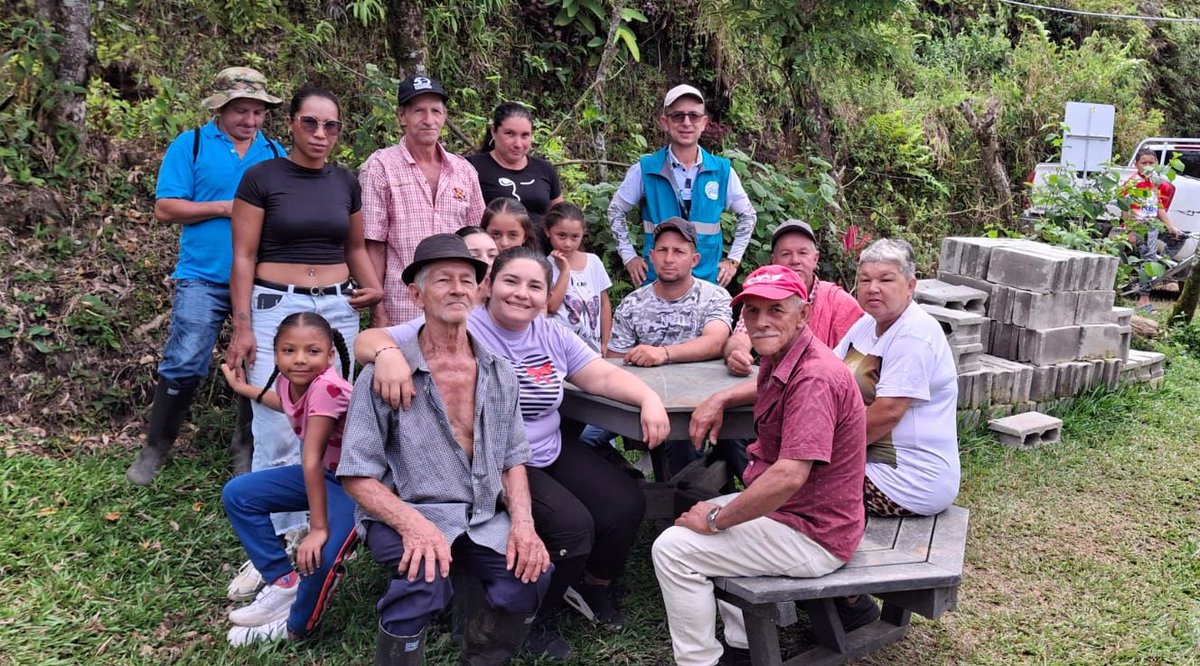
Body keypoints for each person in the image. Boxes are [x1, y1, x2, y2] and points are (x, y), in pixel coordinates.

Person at [354, 245, 670, 660]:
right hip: (468, 475)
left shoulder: (530, 345)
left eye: (535, 285)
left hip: (532, 452)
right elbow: (372, 341)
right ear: (490, 288)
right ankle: (528, 618)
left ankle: (590, 588)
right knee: (572, 528)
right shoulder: (454, 332)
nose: (522, 293)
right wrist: (386, 354)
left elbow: (602, 375)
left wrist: (649, 398)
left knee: (623, 501)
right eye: (511, 281)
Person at [336, 235, 551, 665]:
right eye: (442, 280)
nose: (457, 289)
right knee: (425, 577)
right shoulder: (385, 374)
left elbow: (513, 459)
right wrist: (413, 525)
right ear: (415, 294)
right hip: (407, 511)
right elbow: (357, 473)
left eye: (467, 280)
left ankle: (482, 656)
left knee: (531, 574)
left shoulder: (500, 372)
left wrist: (524, 524)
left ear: (479, 290)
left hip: (481, 515)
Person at [655, 264, 868, 666]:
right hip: (801, 514)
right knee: (717, 513)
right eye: (751, 311)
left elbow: (789, 476)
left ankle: (700, 662)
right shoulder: (787, 355)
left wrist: (718, 520)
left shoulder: (814, 379)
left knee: (675, 548)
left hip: (815, 533)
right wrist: (723, 398)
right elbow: (765, 383)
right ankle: (742, 647)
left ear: (803, 313)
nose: (761, 321)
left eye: (775, 310)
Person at [223, 86, 383, 589]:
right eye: (310, 123)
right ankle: (279, 543)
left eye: (330, 126)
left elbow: (355, 243)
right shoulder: (262, 178)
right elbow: (243, 256)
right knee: (275, 422)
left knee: (334, 418)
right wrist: (243, 325)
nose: (320, 134)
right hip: (277, 304)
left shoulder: (345, 181)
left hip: (337, 304)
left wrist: (373, 289)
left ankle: (332, 531)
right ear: (291, 123)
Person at [125, 66, 286, 487]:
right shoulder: (191, 144)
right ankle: (155, 448)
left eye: (257, 112)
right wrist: (223, 207)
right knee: (185, 358)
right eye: (240, 111)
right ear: (220, 109)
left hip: (259, 278)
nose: (249, 121)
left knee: (258, 363)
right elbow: (166, 208)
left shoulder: (273, 152)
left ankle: (245, 447)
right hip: (203, 276)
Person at [218, 313, 357, 646]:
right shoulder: (288, 380)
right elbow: (286, 404)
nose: (299, 359)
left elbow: (309, 458)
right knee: (239, 494)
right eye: (289, 350)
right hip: (326, 474)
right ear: (276, 352)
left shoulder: (327, 387)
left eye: (312, 351)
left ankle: (296, 628)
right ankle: (283, 583)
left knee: (320, 555)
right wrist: (243, 387)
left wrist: (318, 529)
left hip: (357, 483)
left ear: (330, 356)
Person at [833, 239, 959, 519]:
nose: (872, 288)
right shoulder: (867, 323)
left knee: (791, 480)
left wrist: (822, 448)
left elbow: (887, 413)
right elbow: (825, 372)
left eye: (886, 279)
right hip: (867, 462)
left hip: (906, 481)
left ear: (910, 286)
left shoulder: (914, 334)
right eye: (864, 280)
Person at [607, 218, 732, 476]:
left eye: (679, 251)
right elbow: (614, 362)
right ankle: (631, 482)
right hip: (642, 402)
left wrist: (662, 354)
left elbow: (716, 341)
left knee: (684, 448)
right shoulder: (632, 304)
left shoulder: (714, 296)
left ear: (694, 259)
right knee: (582, 435)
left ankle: (683, 502)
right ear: (651, 256)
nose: (669, 258)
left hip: (701, 403)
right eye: (662, 250)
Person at [360, 74, 487, 325]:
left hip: (458, 303)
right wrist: (378, 309)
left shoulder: (464, 171)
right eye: (418, 111)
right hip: (403, 304)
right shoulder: (380, 167)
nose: (428, 120)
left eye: (435, 111)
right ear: (401, 116)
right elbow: (374, 244)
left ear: (444, 115)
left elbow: (478, 240)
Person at [608, 84, 757, 286]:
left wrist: (733, 261)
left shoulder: (721, 171)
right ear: (665, 122)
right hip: (657, 283)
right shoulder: (646, 169)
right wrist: (629, 257)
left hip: (705, 283)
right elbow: (616, 211)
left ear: (704, 122)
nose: (686, 123)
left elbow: (748, 216)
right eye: (678, 116)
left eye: (694, 116)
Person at [723, 220, 862, 376]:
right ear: (774, 260)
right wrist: (737, 355)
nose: (795, 260)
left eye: (803, 253)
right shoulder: (761, 297)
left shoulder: (840, 302)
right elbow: (740, 337)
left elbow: (859, 362)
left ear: (815, 259)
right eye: (786, 254)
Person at [467, 102, 563, 250]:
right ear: (494, 131)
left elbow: (559, 218)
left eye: (525, 135)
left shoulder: (544, 169)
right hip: (492, 258)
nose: (518, 143)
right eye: (509, 134)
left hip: (540, 259)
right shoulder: (471, 167)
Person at [545, 202, 613, 353]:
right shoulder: (544, 266)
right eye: (561, 235)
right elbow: (551, 307)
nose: (568, 244)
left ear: (583, 234)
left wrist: (605, 343)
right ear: (548, 231)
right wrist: (565, 271)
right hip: (560, 349)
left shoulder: (593, 262)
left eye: (575, 237)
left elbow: (604, 304)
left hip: (592, 350)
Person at [1120, 148, 1181, 312]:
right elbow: (1125, 209)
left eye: (1151, 163)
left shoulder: (1154, 182)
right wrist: (1129, 231)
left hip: (1154, 224)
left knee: (1179, 238)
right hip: (1140, 226)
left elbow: (1159, 206)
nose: (1147, 166)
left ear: (1156, 164)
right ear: (1136, 165)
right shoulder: (1133, 183)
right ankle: (1143, 299)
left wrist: (1170, 226)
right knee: (1148, 261)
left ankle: (1160, 265)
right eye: (1143, 163)